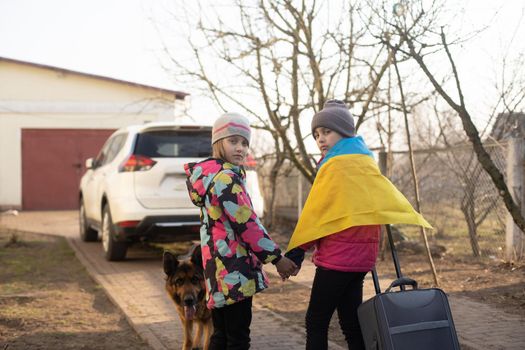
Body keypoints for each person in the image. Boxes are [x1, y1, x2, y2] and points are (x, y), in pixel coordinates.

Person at [285, 100, 431, 350]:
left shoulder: (335, 165)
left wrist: (296, 252)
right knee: (351, 322)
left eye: (327, 132)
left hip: (337, 258)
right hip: (362, 260)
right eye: (317, 134)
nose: (321, 139)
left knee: (316, 321)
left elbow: (318, 213)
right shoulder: (365, 162)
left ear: (345, 131)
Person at [184, 112, 297, 350]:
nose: (240, 148)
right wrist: (277, 258)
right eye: (233, 141)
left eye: (245, 143)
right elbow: (248, 225)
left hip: (216, 271)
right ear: (218, 142)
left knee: (221, 336)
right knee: (237, 338)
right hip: (235, 270)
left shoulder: (209, 177)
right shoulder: (226, 179)